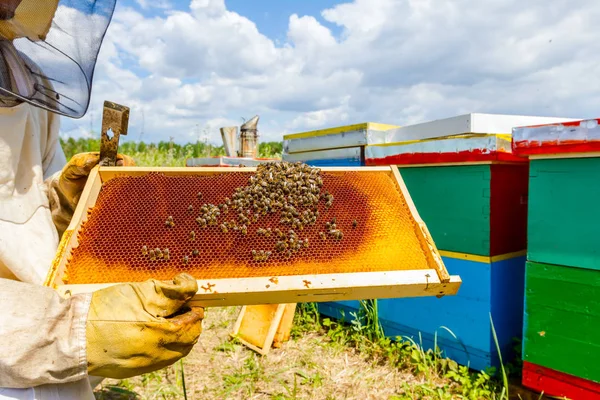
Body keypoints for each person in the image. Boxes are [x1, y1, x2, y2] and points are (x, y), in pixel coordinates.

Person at [0, 1, 204, 399]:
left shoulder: (25, 77)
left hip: (43, 324)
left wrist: (66, 197)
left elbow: (25, 205)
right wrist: (71, 330)